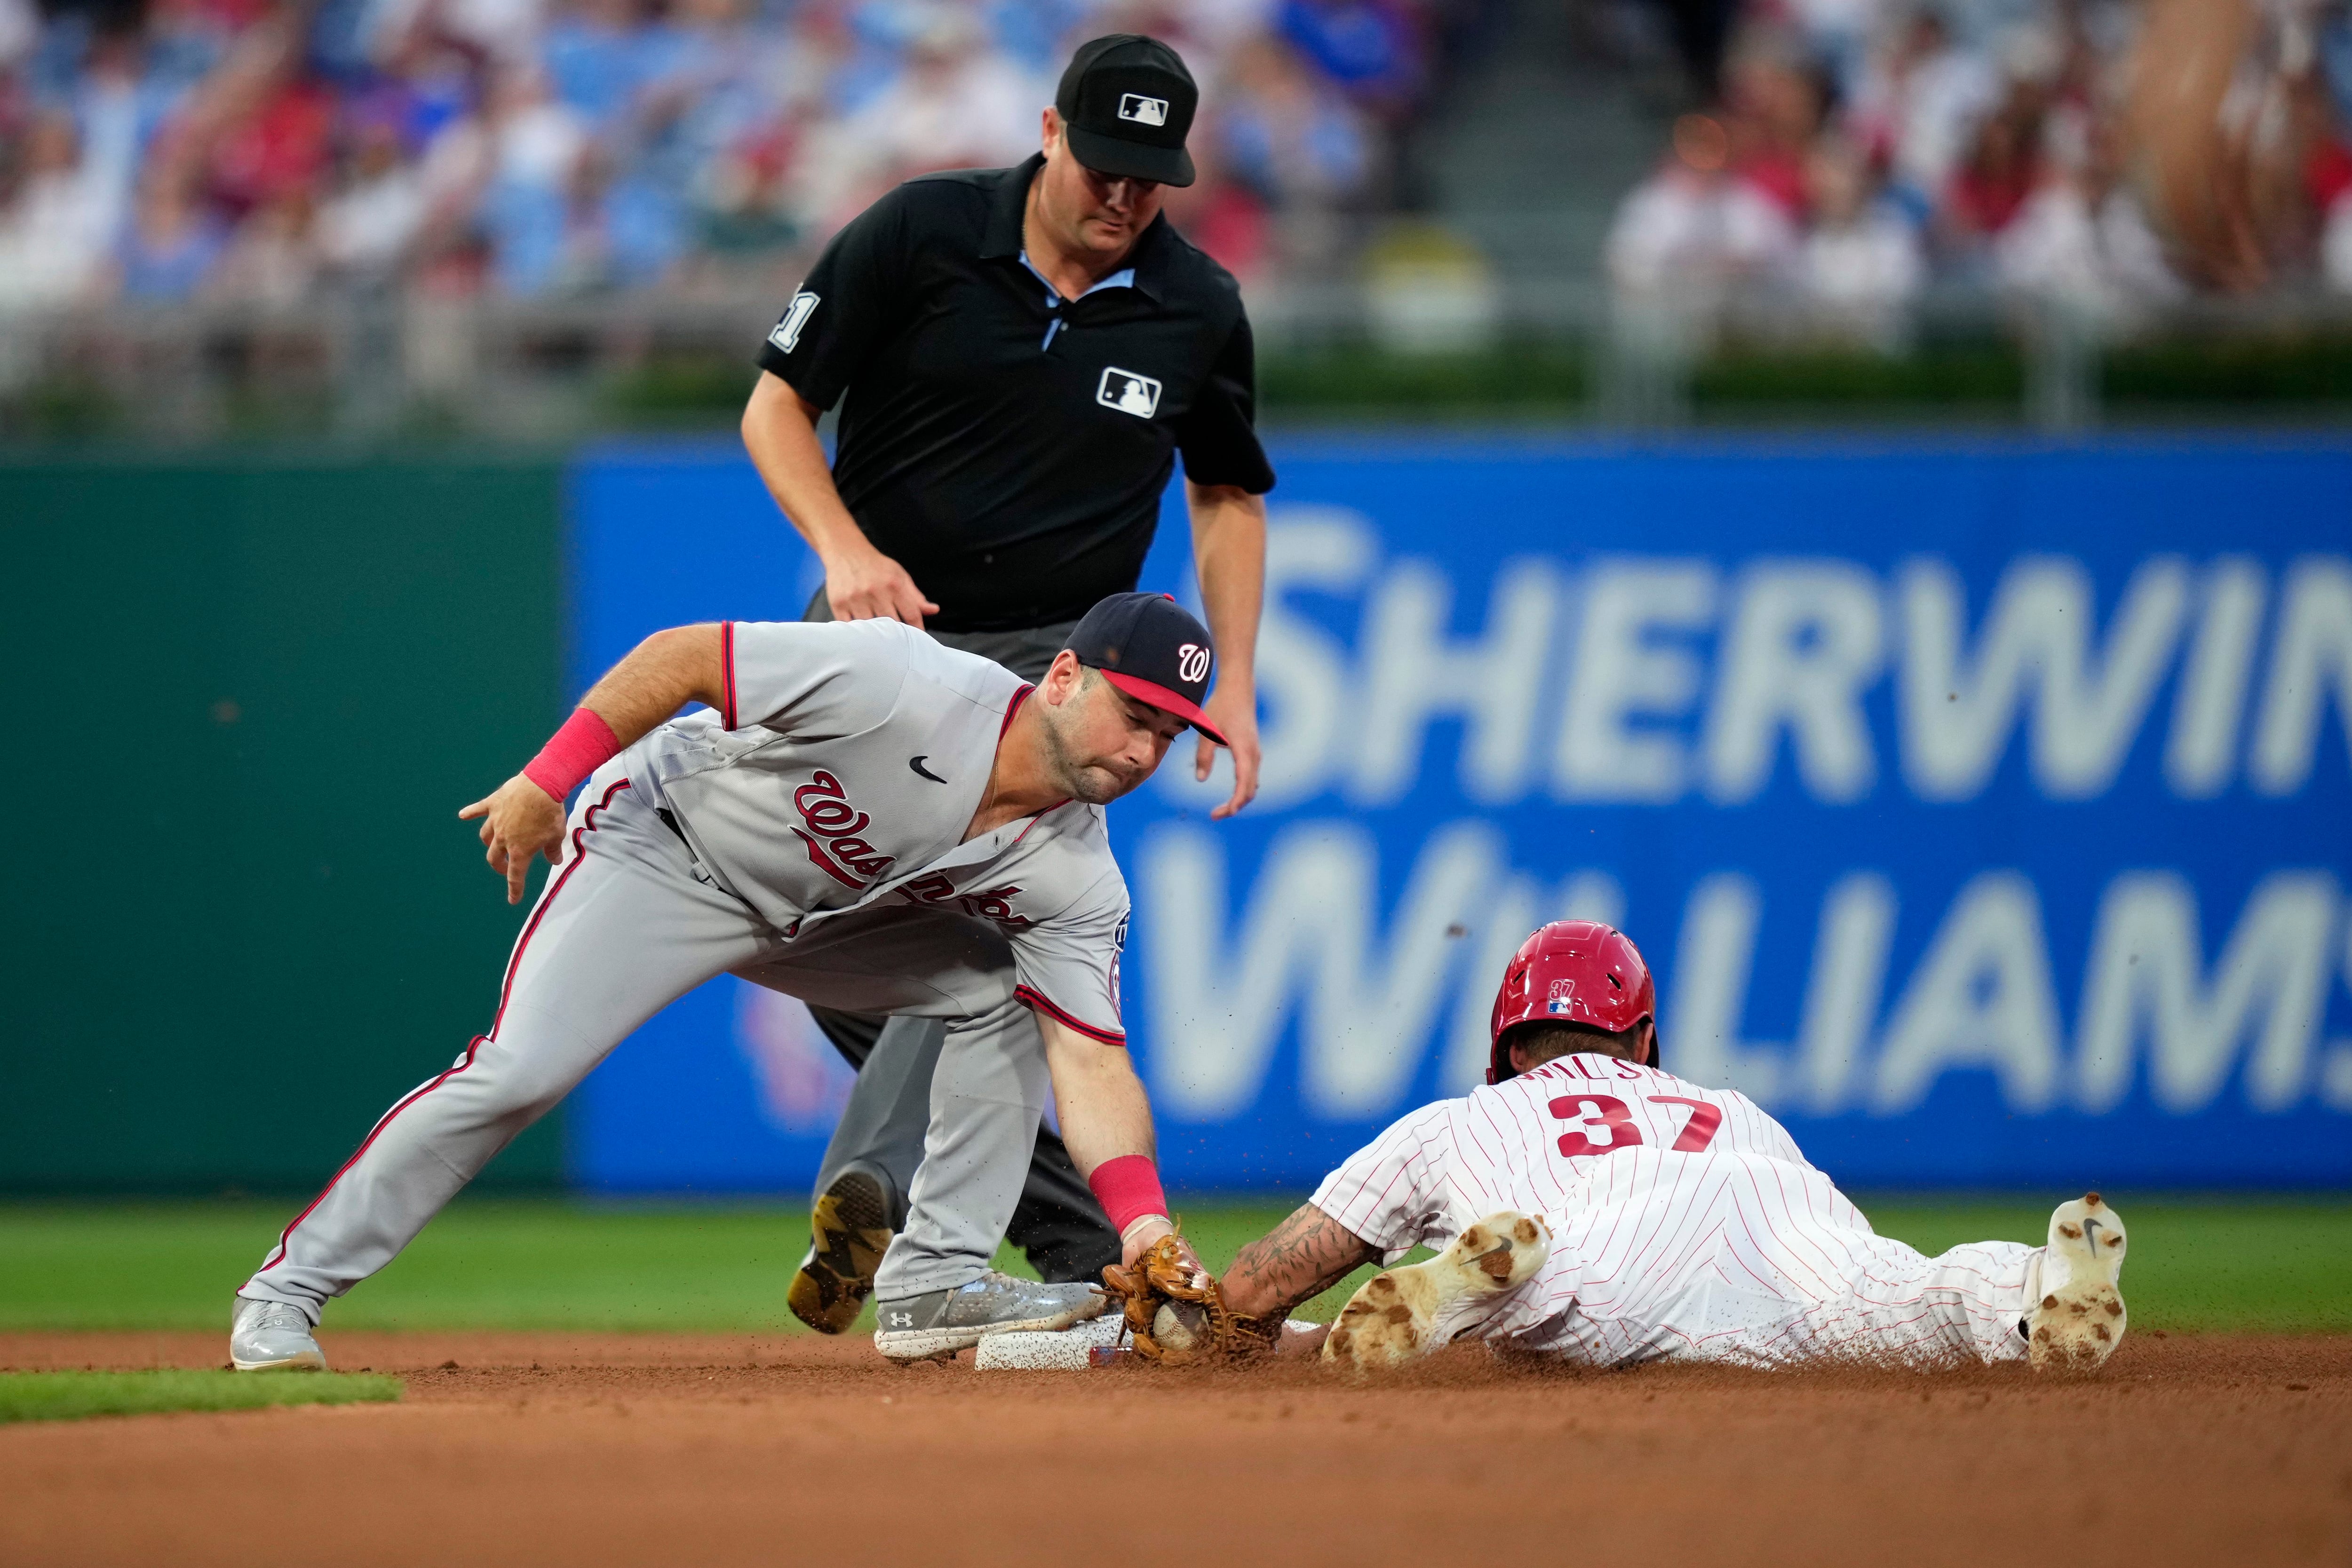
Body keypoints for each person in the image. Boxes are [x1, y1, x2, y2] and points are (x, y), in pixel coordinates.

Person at [230, 592, 1224, 1370]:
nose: (1143, 750)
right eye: (1134, 712)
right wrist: (547, 776)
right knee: (520, 1070)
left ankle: (936, 1280)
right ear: (1062, 675)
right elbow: (685, 656)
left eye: (1170, 736)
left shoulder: (1076, 876)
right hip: (664, 851)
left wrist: (1144, 1225)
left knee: (1009, 988)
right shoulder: (904, 679)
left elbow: (1091, 1061)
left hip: (815, 918)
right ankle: (284, 1293)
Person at [738, 32, 1275, 1330]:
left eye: (1153, 175)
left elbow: (1226, 491)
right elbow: (774, 405)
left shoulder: (1196, 304)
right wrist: (846, 549)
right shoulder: (921, 234)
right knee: (840, 938)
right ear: (1048, 129)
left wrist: (1237, 682)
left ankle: (929, 1201)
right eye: (1105, 162)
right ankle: (1008, 1217)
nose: (1124, 194)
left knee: (1000, 931)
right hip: (879, 627)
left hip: (1057, 662)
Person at [1214, 921, 2131, 1374]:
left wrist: (1251, 1326)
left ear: (1505, 1040)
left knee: (1558, 1287)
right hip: (1765, 1199)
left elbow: (1256, 1288)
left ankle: (1469, 1280)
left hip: (1599, 1233)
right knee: (1886, 1289)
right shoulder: (1729, 1103)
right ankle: (2030, 1283)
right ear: (1642, 1036)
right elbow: (1844, 1234)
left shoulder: (1458, 1119)